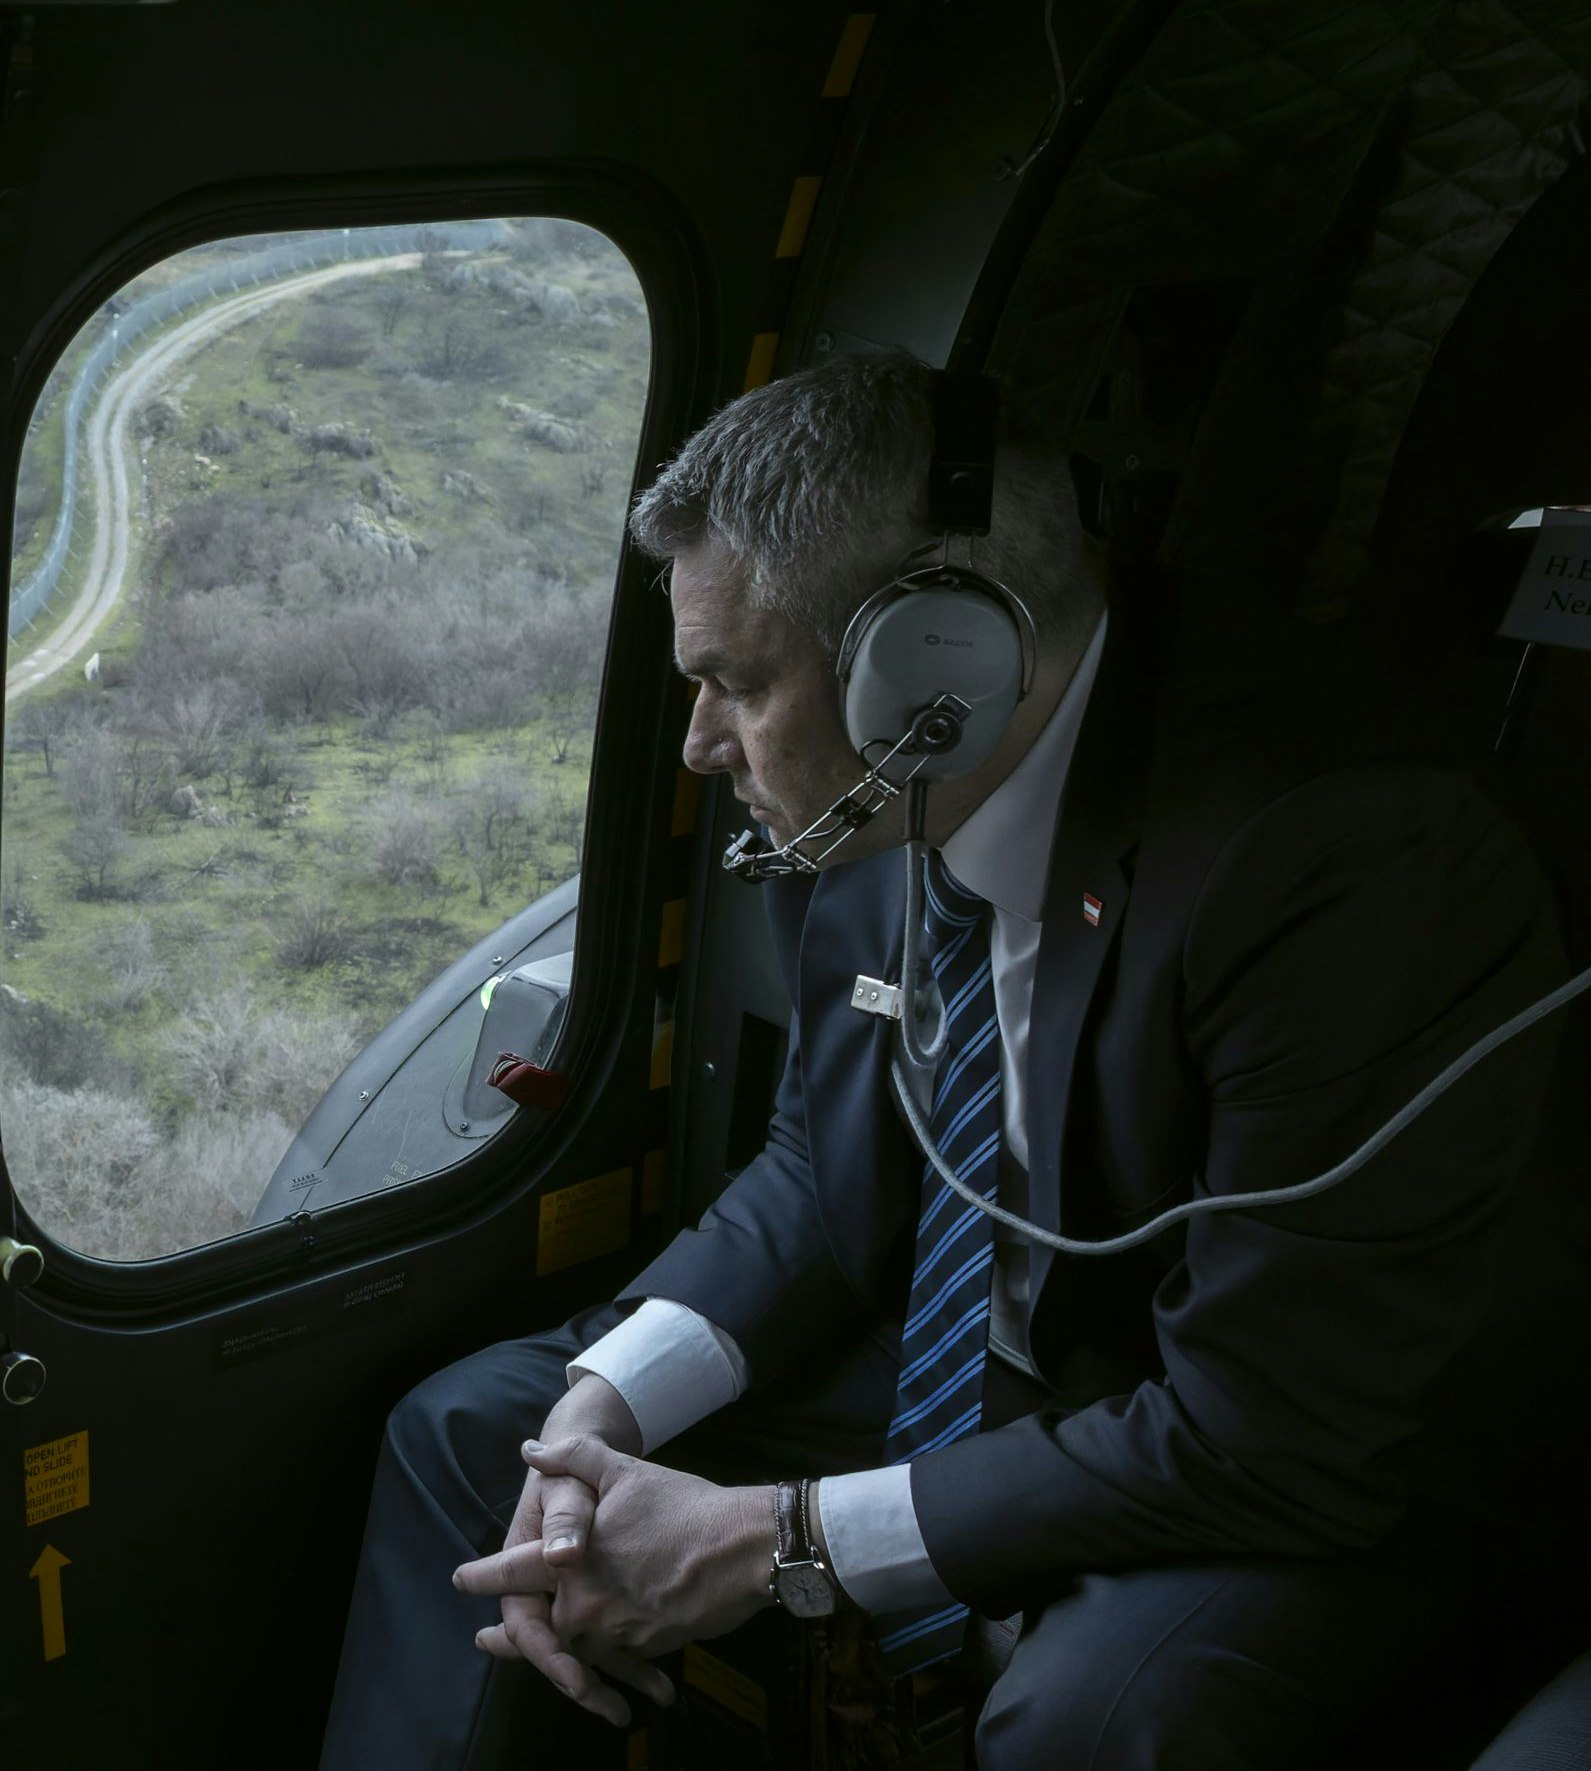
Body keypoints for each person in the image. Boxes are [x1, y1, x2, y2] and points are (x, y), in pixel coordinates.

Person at [317, 351, 1578, 1768]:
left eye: (734, 682)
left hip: (1277, 1436)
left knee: (1095, 1724)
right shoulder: (884, 783)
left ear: (935, 668)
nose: (697, 746)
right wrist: (604, 1408)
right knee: (478, 1437)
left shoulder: (1340, 855)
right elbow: (821, 1170)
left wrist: (772, 1542)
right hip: (991, 1354)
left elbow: (1267, 1432)